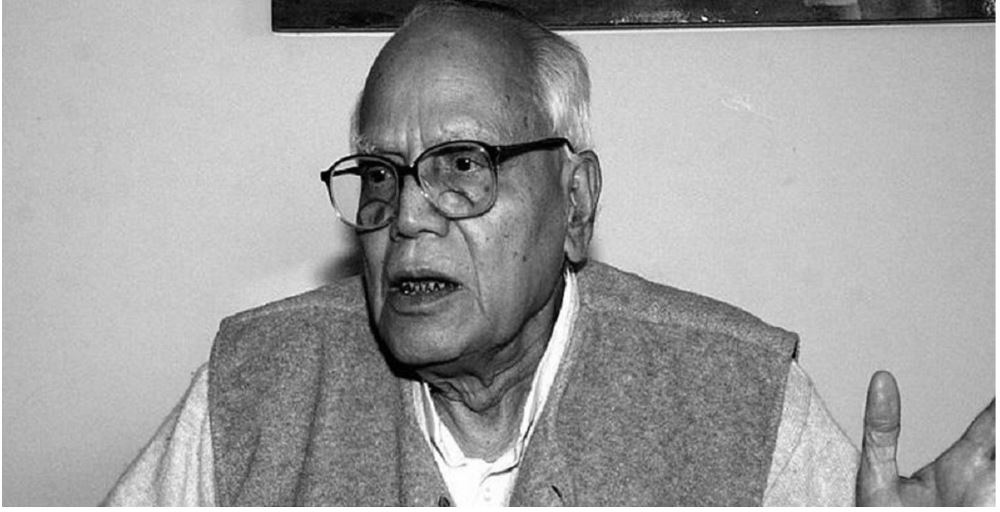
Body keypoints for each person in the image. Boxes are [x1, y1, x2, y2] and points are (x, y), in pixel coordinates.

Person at [102, 0, 994, 506]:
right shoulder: (252, 387)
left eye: (462, 165)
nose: (406, 216)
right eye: (379, 174)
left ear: (575, 203)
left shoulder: (743, 397)